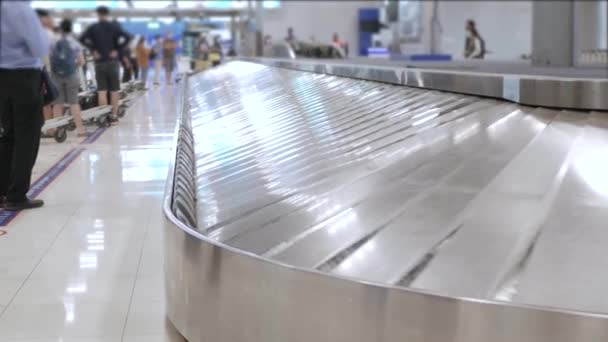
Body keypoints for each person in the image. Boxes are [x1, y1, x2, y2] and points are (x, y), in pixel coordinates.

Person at [0, 2, 50, 210]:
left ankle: (2, 191)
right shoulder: (19, 8)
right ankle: (16, 195)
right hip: (23, 76)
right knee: (27, 137)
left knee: (7, 134)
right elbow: (39, 47)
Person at [79, 6, 131, 124]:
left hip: (99, 63)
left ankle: (102, 116)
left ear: (98, 14)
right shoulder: (114, 27)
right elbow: (128, 37)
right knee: (114, 91)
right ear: (107, 14)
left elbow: (81, 39)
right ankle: (113, 116)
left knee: (101, 91)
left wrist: (93, 50)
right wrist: (117, 49)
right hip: (112, 62)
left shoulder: (93, 28)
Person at [50, 19, 88, 137]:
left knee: (57, 104)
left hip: (56, 76)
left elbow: (48, 60)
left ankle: (57, 129)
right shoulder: (74, 43)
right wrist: (73, 66)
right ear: (70, 29)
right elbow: (81, 61)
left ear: (60, 29)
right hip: (71, 75)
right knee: (74, 103)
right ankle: (80, 130)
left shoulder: (53, 42)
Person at [35, 9, 56, 130]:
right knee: (45, 100)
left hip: (41, 70)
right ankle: (49, 128)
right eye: (47, 18)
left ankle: (48, 126)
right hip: (42, 70)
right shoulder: (46, 33)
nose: (49, 20)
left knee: (45, 99)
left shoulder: (44, 33)